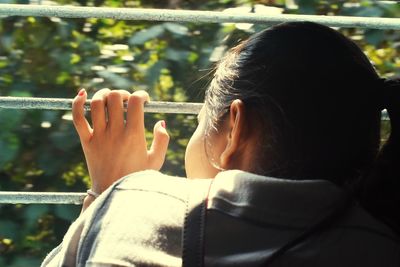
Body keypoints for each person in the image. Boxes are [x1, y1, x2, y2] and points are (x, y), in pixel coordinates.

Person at [41, 21, 400, 267]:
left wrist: (109, 193)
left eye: (200, 122)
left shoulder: (137, 209)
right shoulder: (382, 247)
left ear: (235, 130)